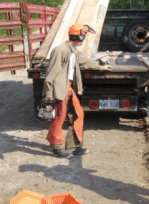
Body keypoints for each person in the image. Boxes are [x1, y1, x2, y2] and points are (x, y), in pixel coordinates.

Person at [42, 24, 112, 157]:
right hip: (59, 89)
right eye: (83, 36)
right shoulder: (60, 51)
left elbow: (85, 62)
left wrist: (100, 67)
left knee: (78, 114)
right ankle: (57, 148)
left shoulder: (73, 51)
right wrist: (49, 95)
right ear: (80, 36)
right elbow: (50, 75)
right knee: (59, 118)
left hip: (69, 88)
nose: (84, 39)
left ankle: (72, 146)